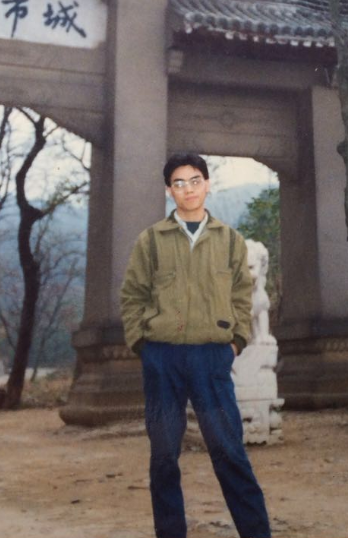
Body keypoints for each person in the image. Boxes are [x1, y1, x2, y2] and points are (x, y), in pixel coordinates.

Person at [120, 152, 271, 538]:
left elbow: (242, 296)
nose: (188, 189)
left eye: (195, 181)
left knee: (229, 451)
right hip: (163, 358)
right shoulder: (151, 241)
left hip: (211, 358)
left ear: (207, 184)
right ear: (168, 190)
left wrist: (235, 342)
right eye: (179, 183)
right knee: (164, 456)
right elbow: (133, 295)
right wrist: (143, 345)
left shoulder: (229, 240)